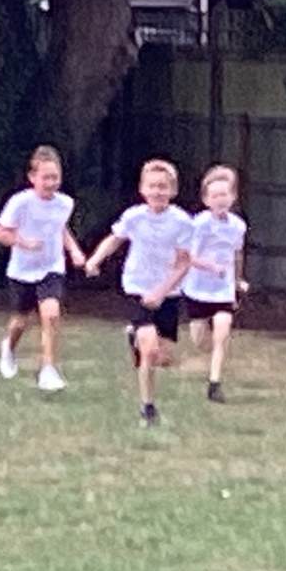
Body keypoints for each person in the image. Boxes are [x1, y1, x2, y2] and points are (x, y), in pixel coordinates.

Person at [85, 159, 196, 427]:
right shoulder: (134, 217)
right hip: (137, 287)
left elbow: (184, 263)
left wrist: (162, 291)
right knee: (149, 347)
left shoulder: (182, 222)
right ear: (142, 189)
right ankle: (147, 407)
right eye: (152, 186)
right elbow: (115, 238)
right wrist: (95, 259)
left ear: (173, 190)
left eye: (163, 187)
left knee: (161, 356)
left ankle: (134, 337)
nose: (157, 192)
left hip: (168, 292)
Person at [0, 145, 87, 393]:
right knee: (20, 320)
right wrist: (24, 243)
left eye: (55, 177)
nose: (51, 183)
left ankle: (48, 369)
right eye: (45, 177)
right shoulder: (20, 202)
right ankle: (8, 347)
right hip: (22, 270)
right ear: (32, 177)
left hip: (51, 266)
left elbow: (60, 228)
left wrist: (74, 251)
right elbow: (1, 233)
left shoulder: (65, 203)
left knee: (51, 313)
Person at [184, 165, 250, 404]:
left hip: (223, 290)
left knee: (222, 332)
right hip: (198, 288)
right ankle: (213, 356)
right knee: (200, 341)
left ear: (233, 197)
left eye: (225, 194)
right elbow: (188, 257)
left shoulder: (238, 226)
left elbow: (237, 254)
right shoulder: (199, 224)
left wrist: (238, 280)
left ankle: (215, 384)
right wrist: (210, 266)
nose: (220, 199)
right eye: (215, 195)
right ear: (206, 200)